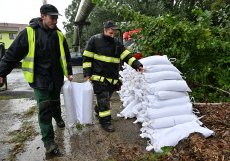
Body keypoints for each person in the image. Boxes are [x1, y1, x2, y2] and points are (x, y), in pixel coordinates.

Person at [0, 4, 73, 156]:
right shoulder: (29, 33)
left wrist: (69, 73)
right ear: (43, 16)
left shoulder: (58, 34)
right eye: (52, 17)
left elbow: (66, 55)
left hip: (56, 78)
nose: (55, 20)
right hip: (40, 79)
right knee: (45, 109)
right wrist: (1, 73)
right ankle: (49, 143)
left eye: (56, 17)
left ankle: (58, 117)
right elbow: (12, 55)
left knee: (55, 102)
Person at [82, 20, 144, 132]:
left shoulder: (116, 43)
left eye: (114, 33)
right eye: (110, 32)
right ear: (104, 30)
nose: (112, 35)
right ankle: (105, 122)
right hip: (98, 77)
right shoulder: (94, 40)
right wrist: (87, 73)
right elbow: (87, 58)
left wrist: (137, 65)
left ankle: (98, 108)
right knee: (104, 100)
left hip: (112, 78)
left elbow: (126, 55)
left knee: (105, 98)